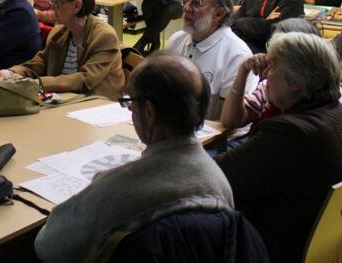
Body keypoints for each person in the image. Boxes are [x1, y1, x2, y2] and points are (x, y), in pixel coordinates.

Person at [34, 51, 234, 263]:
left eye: (130, 102)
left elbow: (47, 246)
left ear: (149, 112)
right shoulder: (220, 183)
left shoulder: (116, 189)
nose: (130, 109)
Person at [216, 32, 342, 262]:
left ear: (294, 83)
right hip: (316, 243)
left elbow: (217, 176)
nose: (265, 76)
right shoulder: (334, 114)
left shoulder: (290, 133)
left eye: (272, 68)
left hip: (272, 244)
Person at [0, 0, 123, 99]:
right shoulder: (59, 33)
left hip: (93, 106)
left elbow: (85, 79)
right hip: (62, 102)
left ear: (77, 5)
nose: (52, 9)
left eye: (57, 4)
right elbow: (38, 63)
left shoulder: (104, 36)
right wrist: (8, 73)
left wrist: (37, 83)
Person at [166, 0, 255, 120]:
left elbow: (227, 120)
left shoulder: (237, 55)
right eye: (186, 1)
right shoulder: (177, 40)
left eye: (196, 3)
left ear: (219, 14)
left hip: (220, 136)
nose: (186, 8)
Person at [220, 18, 320, 130]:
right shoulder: (266, 87)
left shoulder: (317, 99)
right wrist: (243, 71)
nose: (266, 72)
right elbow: (231, 120)